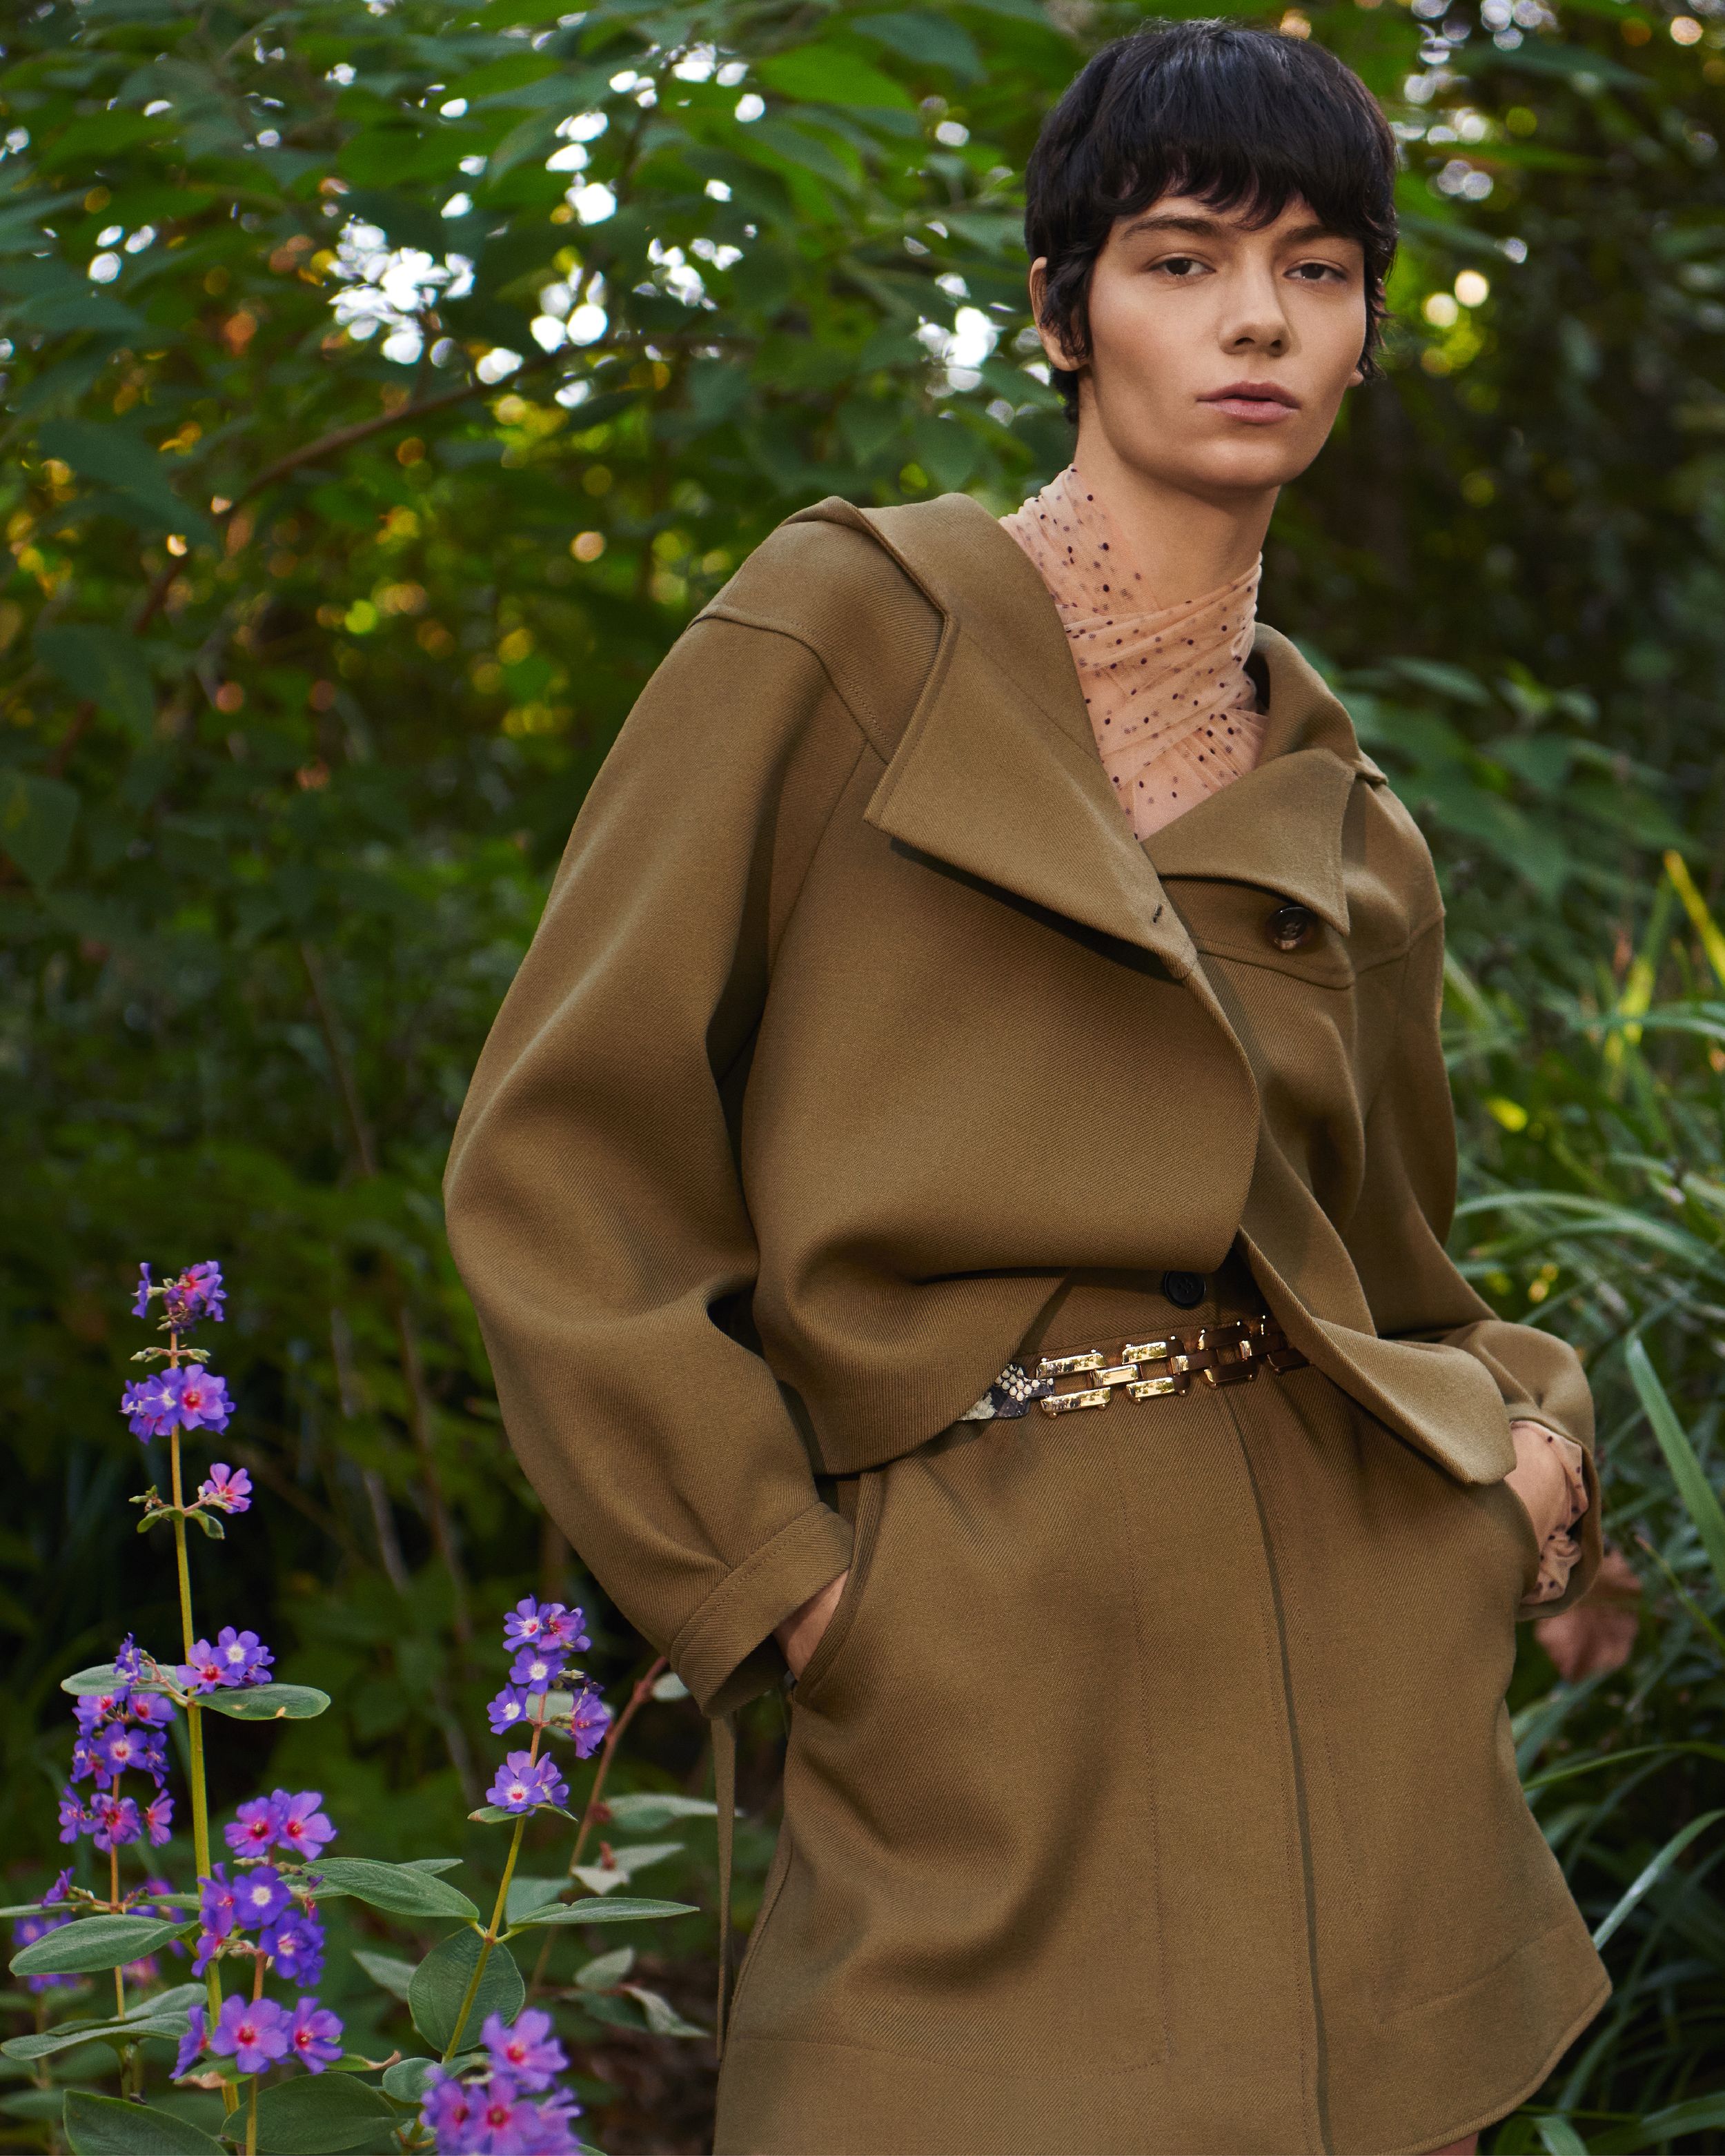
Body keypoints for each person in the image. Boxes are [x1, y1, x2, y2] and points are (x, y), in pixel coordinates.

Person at [443, 20, 1608, 2154]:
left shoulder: (1358, 836)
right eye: (1180, 259)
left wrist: (1523, 1460)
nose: (1257, 318)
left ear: (1365, 333)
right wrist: (783, 1583)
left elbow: (1399, 1284)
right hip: (961, 1659)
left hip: (1341, 1688)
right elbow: (556, 1160)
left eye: (1321, 269)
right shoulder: (834, 637)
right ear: (1058, 310)